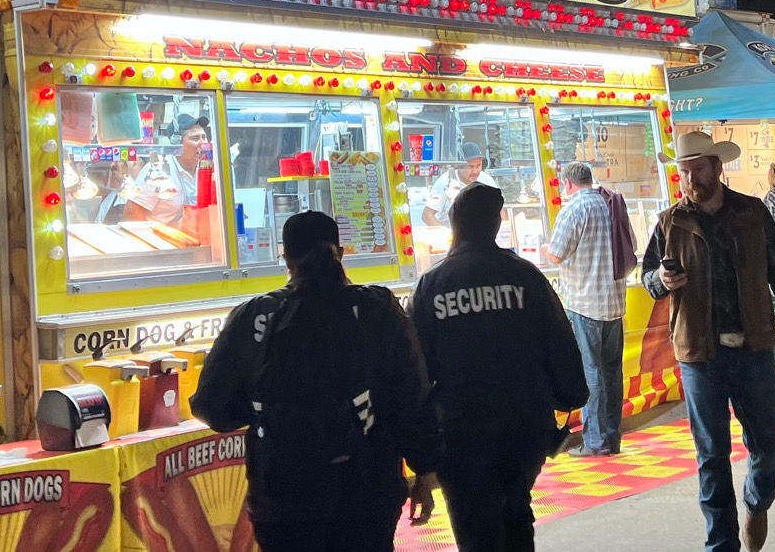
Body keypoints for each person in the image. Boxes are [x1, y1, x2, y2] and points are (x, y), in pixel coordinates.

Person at [190, 212, 440, 552]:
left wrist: (265, 410)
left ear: (285, 258)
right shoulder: (375, 309)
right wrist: (423, 471)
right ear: (341, 252)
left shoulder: (255, 315)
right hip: (366, 491)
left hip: (281, 497)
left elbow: (211, 407)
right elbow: (410, 398)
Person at [642, 132, 775, 552]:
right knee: (712, 457)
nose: (689, 178)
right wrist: (660, 281)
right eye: (683, 170)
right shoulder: (669, 222)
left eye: (698, 168)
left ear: (718, 168)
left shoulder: (752, 214)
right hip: (700, 356)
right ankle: (721, 545)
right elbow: (647, 280)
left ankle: (757, 503)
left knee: (768, 446)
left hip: (753, 349)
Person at [413, 184, 587, 552]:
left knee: (474, 525)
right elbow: (561, 346)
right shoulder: (526, 277)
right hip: (524, 424)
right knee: (516, 512)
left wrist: (421, 452)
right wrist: (568, 399)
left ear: (454, 223)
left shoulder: (433, 285)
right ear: (496, 224)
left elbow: (416, 371)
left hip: (460, 430)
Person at [545, 161, 632, 457]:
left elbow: (556, 254)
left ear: (568, 184)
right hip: (615, 302)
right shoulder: (611, 205)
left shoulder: (573, 209)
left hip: (584, 302)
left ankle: (594, 441)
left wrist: (542, 248)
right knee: (612, 373)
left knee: (591, 372)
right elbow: (630, 244)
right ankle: (612, 436)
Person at [423, 145, 492, 226]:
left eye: (478, 166)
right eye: (471, 167)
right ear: (459, 166)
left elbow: (500, 211)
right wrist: (449, 236)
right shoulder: (445, 182)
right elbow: (427, 216)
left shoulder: (486, 180)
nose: (475, 171)